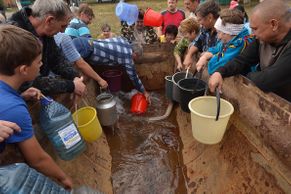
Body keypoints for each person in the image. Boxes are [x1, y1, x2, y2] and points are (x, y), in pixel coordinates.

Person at [0, 24, 73, 189]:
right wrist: (64, 178)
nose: (41, 65)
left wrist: (21, 96)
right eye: (39, 62)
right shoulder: (15, 110)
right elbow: (38, 159)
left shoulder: (9, 96)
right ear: (24, 69)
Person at [208, 0, 291, 102]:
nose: (253, 34)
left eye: (255, 29)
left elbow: (267, 81)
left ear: (273, 24)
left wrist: (249, 75)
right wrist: (220, 72)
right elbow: (242, 59)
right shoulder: (262, 39)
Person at [8, 0, 86, 96]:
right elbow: (28, 80)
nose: (63, 31)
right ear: (49, 20)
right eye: (63, 26)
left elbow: (56, 59)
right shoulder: (15, 35)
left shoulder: (45, 31)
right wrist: (71, 86)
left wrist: (75, 77)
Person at [72, 36, 151, 101]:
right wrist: (144, 92)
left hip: (83, 40)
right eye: (136, 58)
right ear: (135, 53)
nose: (134, 60)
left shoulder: (123, 40)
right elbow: (134, 77)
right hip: (85, 49)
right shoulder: (127, 56)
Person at [196, 9, 252, 75]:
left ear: (229, 32)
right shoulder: (229, 39)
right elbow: (216, 48)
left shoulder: (239, 44)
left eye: (219, 32)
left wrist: (211, 56)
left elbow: (214, 68)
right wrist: (204, 57)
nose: (218, 37)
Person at [183, 0, 220, 69]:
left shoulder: (223, 33)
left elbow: (222, 52)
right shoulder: (205, 28)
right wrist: (189, 55)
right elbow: (198, 41)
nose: (199, 23)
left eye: (200, 20)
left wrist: (206, 56)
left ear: (210, 17)